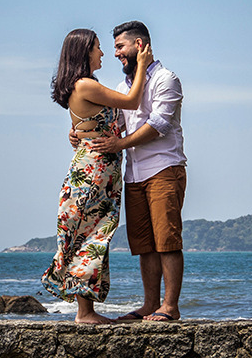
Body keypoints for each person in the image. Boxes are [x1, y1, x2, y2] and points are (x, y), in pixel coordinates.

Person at [41, 27, 153, 324]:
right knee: (90, 238)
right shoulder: (85, 85)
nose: (103, 53)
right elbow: (131, 101)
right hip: (94, 173)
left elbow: (91, 124)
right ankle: (85, 313)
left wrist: (78, 134)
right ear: (84, 52)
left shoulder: (85, 86)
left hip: (99, 170)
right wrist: (141, 66)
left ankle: (86, 311)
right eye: (98, 47)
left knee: (92, 237)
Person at [87, 21, 186, 322]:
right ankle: (149, 304)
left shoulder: (166, 79)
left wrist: (119, 144)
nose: (116, 53)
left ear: (139, 45)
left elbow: (159, 125)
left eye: (120, 46)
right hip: (134, 175)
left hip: (164, 167)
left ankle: (170, 306)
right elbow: (114, 126)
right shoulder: (122, 88)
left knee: (167, 240)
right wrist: (79, 134)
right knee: (144, 244)